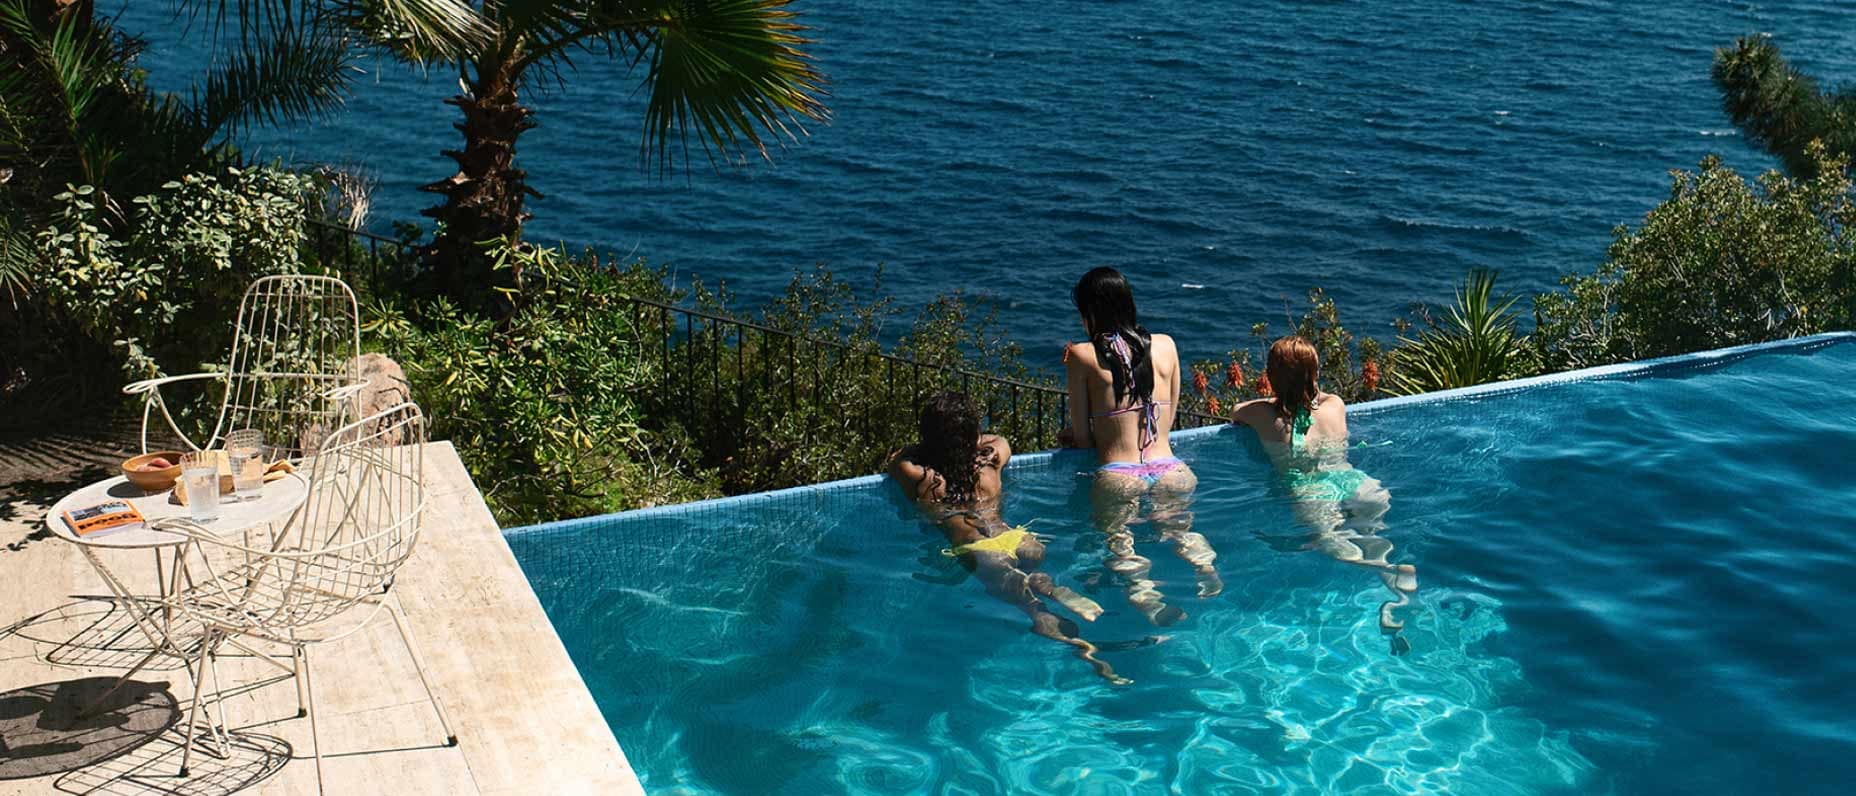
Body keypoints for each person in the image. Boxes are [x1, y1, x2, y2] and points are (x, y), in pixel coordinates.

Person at [888, 392, 1129, 685]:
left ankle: (1075, 643)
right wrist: (970, 439)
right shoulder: (990, 464)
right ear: (973, 434)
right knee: (1030, 574)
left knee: (1031, 608)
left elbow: (897, 455)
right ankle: (1051, 587)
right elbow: (999, 439)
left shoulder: (919, 476)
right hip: (1017, 538)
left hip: (978, 548)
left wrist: (936, 445)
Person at [1058, 267, 1221, 627]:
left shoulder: (1082, 356)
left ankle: (1146, 595)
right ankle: (1205, 568)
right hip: (1172, 469)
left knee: (1119, 541)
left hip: (1119, 474)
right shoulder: (1166, 344)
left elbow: (1084, 439)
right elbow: (1171, 414)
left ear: (1090, 311)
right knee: (1181, 530)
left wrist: (1076, 438)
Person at [1229, 336, 1418, 646]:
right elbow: (1317, 398)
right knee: (1372, 537)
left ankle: (1386, 570)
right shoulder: (1335, 405)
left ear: (1272, 377)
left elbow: (1236, 411)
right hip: (1356, 482)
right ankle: (1396, 594)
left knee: (1332, 545)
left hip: (1312, 489)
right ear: (1314, 374)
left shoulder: (1266, 416)